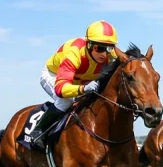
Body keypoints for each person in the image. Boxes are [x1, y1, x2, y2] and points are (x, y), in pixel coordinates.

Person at [29, 21, 118, 150]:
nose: (104, 54)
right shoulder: (74, 52)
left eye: (109, 48)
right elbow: (60, 89)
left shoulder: (111, 55)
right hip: (55, 75)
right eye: (99, 48)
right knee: (66, 101)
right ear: (89, 44)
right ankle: (38, 131)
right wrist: (83, 89)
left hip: (81, 80)